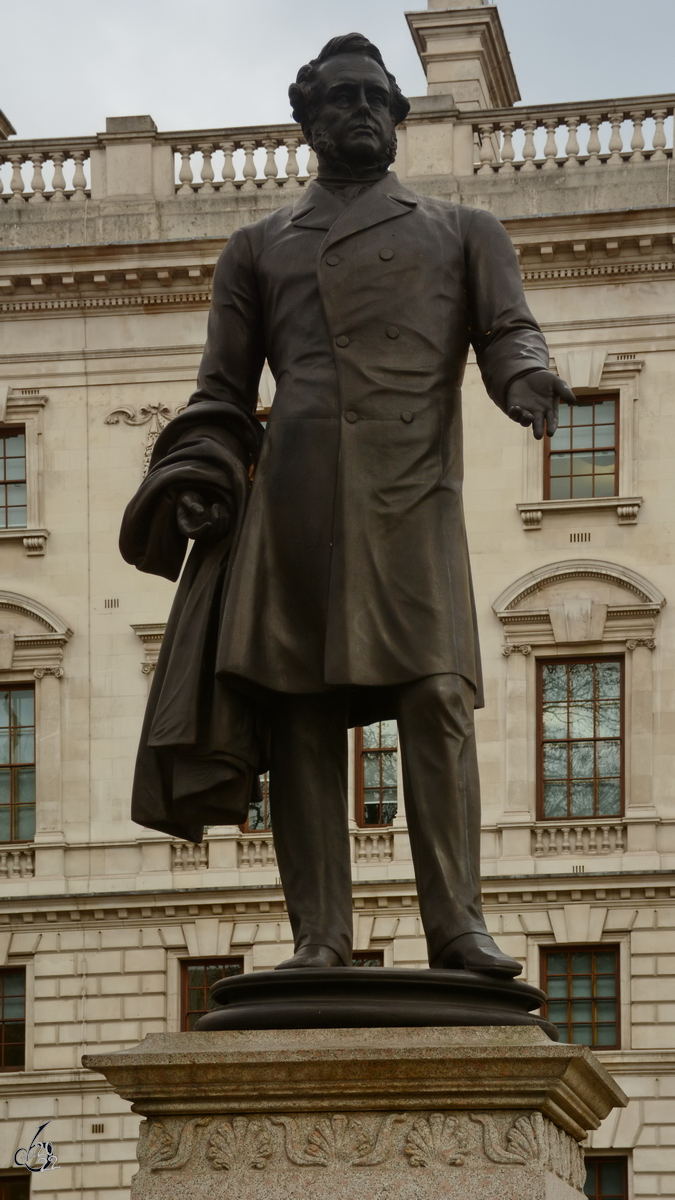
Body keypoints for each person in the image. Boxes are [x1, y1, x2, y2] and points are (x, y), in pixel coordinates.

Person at [121, 34, 574, 977]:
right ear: (308, 119)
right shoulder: (254, 248)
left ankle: (458, 925)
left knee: (437, 696)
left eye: (377, 98)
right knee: (301, 718)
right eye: (340, 99)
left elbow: (508, 330)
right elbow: (220, 387)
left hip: (412, 493)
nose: (361, 111)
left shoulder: (462, 230)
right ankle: (319, 937)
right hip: (294, 502)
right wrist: (202, 477)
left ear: (400, 120)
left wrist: (528, 380)